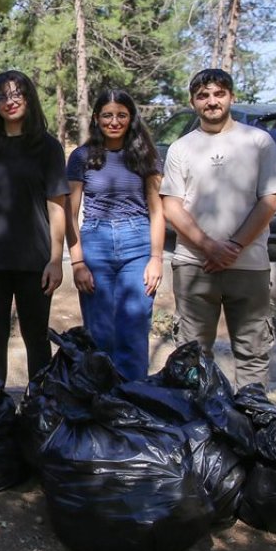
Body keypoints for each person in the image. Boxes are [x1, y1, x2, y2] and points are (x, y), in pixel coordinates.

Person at [161, 68, 276, 387]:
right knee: (192, 355)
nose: (212, 101)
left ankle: (253, 423)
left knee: (252, 353)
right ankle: (197, 427)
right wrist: (209, 246)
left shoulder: (259, 141)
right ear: (193, 102)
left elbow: (270, 199)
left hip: (249, 265)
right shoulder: (181, 148)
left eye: (219, 94)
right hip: (194, 266)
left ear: (231, 97)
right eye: (203, 96)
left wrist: (233, 247)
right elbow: (171, 206)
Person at [0, 70, 68, 385]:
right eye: (2, 96)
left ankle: (40, 409)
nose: (10, 101)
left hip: (34, 263)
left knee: (36, 338)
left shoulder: (48, 147)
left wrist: (55, 259)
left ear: (29, 98)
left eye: (17, 94)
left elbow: (57, 205)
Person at [64, 89, 165, 381]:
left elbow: (157, 210)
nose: (114, 121)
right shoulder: (81, 156)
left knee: (133, 328)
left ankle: (134, 405)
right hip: (95, 243)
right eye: (107, 115)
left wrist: (156, 259)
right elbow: (71, 212)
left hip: (138, 242)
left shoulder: (145, 154)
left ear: (130, 118)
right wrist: (78, 262)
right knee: (100, 332)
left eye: (121, 115)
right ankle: (103, 403)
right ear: (97, 118)